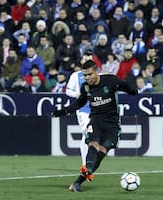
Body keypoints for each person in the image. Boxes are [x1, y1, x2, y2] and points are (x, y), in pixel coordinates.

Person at [53, 60, 138, 192]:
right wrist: (63, 111)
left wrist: (133, 90)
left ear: (96, 71)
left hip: (112, 122)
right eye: (85, 75)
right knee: (94, 144)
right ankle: (88, 169)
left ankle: (78, 182)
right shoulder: (86, 87)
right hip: (96, 120)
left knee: (103, 150)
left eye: (89, 74)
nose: (87, 78)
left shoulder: (111, 81)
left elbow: (129, 88)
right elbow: (79, 103)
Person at [65, 53, 92, 179]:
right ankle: (85, 165)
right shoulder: (76, 76)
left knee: (91, 136)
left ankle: (87, 166)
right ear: (82, 61)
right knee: (87, 133)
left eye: (89, 59)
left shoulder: (99, 76)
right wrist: (77, 94)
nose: (87, 61)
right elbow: (68, 90)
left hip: (97, 110)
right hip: (83, 110)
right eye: (85, 59)